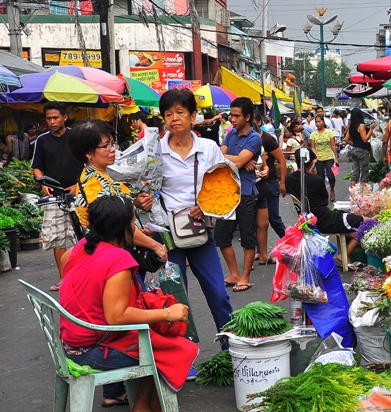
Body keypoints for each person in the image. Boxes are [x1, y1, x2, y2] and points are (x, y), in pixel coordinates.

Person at [59, 195, 197, 412]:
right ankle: (147, 411)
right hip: (92, 349)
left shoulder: (84, 246)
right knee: (179, 347)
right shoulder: (118, 258)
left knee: (154, 338)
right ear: (122, 227)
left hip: (71, 341)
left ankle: (144, 410)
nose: (135, 229)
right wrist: (168, 313)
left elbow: (65, 262)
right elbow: (117, 316)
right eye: (133, 224)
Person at [133, 89, 233, 354]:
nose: (174, 118)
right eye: (168, 114)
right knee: (176, 298)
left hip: (200, 232)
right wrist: (139, 201)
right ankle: (182, 356)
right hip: (167, 236)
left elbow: (225, 186)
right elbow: (142, 189)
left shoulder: (208, 148)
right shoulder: (154, 151)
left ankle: (230, 349)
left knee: (219, 294)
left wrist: (207, 206)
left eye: (180, 112)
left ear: (193, 116)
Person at [67, 119, 167, 260]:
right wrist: (155, 246)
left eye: (112, 143)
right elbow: (119, 227)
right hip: (114, 257)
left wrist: (136, 206)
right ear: (88, 153)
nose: (113, 149)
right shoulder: (95, 184)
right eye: (105, 145)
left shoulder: (102, 174)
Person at [31, 101, 83, 292]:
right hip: (54, 196)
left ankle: (84, 275)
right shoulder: (42, 140)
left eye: (55, 118)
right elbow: (37, 167)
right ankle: (64, 277)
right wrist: (42, 182)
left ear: (64, 117)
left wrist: (79, 185)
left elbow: (88, 162)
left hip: (78, 195)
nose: (52, 121)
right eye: (49, 118)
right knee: (57, 237)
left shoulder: (76, 138)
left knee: (81, 235)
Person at [285, 148, 367, 264]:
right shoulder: (317, 180)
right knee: (367, 221)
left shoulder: (289, 179)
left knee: (352, 226)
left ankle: (348, 246)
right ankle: (344, 254)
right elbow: (325, 201)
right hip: (324, 220)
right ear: (313, 162)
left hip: (307, 221)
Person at [214, 97, 262, 292]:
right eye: (231, 115)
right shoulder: (230, 134)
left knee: (248, 237)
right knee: (221, 236)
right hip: (226, 192)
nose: (232, 119)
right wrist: (238, 159)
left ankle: (245, 277)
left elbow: (239, 163)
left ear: (248, 117)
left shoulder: (254, 138)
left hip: (246, 192)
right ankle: (234, 273)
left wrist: (239, 160)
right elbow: (219, 156)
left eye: (236, 116)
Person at [253, 112, 287, 262]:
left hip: (270, 182)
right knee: (257, 220)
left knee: (274, 218)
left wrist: (283, 182)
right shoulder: (248, 140)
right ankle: (259, 252)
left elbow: (282, 160)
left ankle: (291, 243)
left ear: (258, 122)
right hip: (255, 185)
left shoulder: (267, 139)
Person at [310, 115, 339, 202]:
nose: (318, 123)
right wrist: (316, 156)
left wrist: (336, 158)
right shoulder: (313, 134)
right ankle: (324, 194)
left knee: (331, 176)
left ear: (323, 122)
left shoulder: (329, 133)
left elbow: (333, 146)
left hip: (329, 157)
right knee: (321, 178)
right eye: (316, 122)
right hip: (319, 158)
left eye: (319, 121)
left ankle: (332, 190)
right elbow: (313, 147)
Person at [346, 107, 375, 187]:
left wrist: (354, 144)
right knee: (364, 172)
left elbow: (346, 139)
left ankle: (353, 193)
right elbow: (365, 139)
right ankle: (363, 194)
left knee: (355, 172)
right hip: (362, 150)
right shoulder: (361, 126)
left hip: (354, 150)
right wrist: (371, 129)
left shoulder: (351, 126)